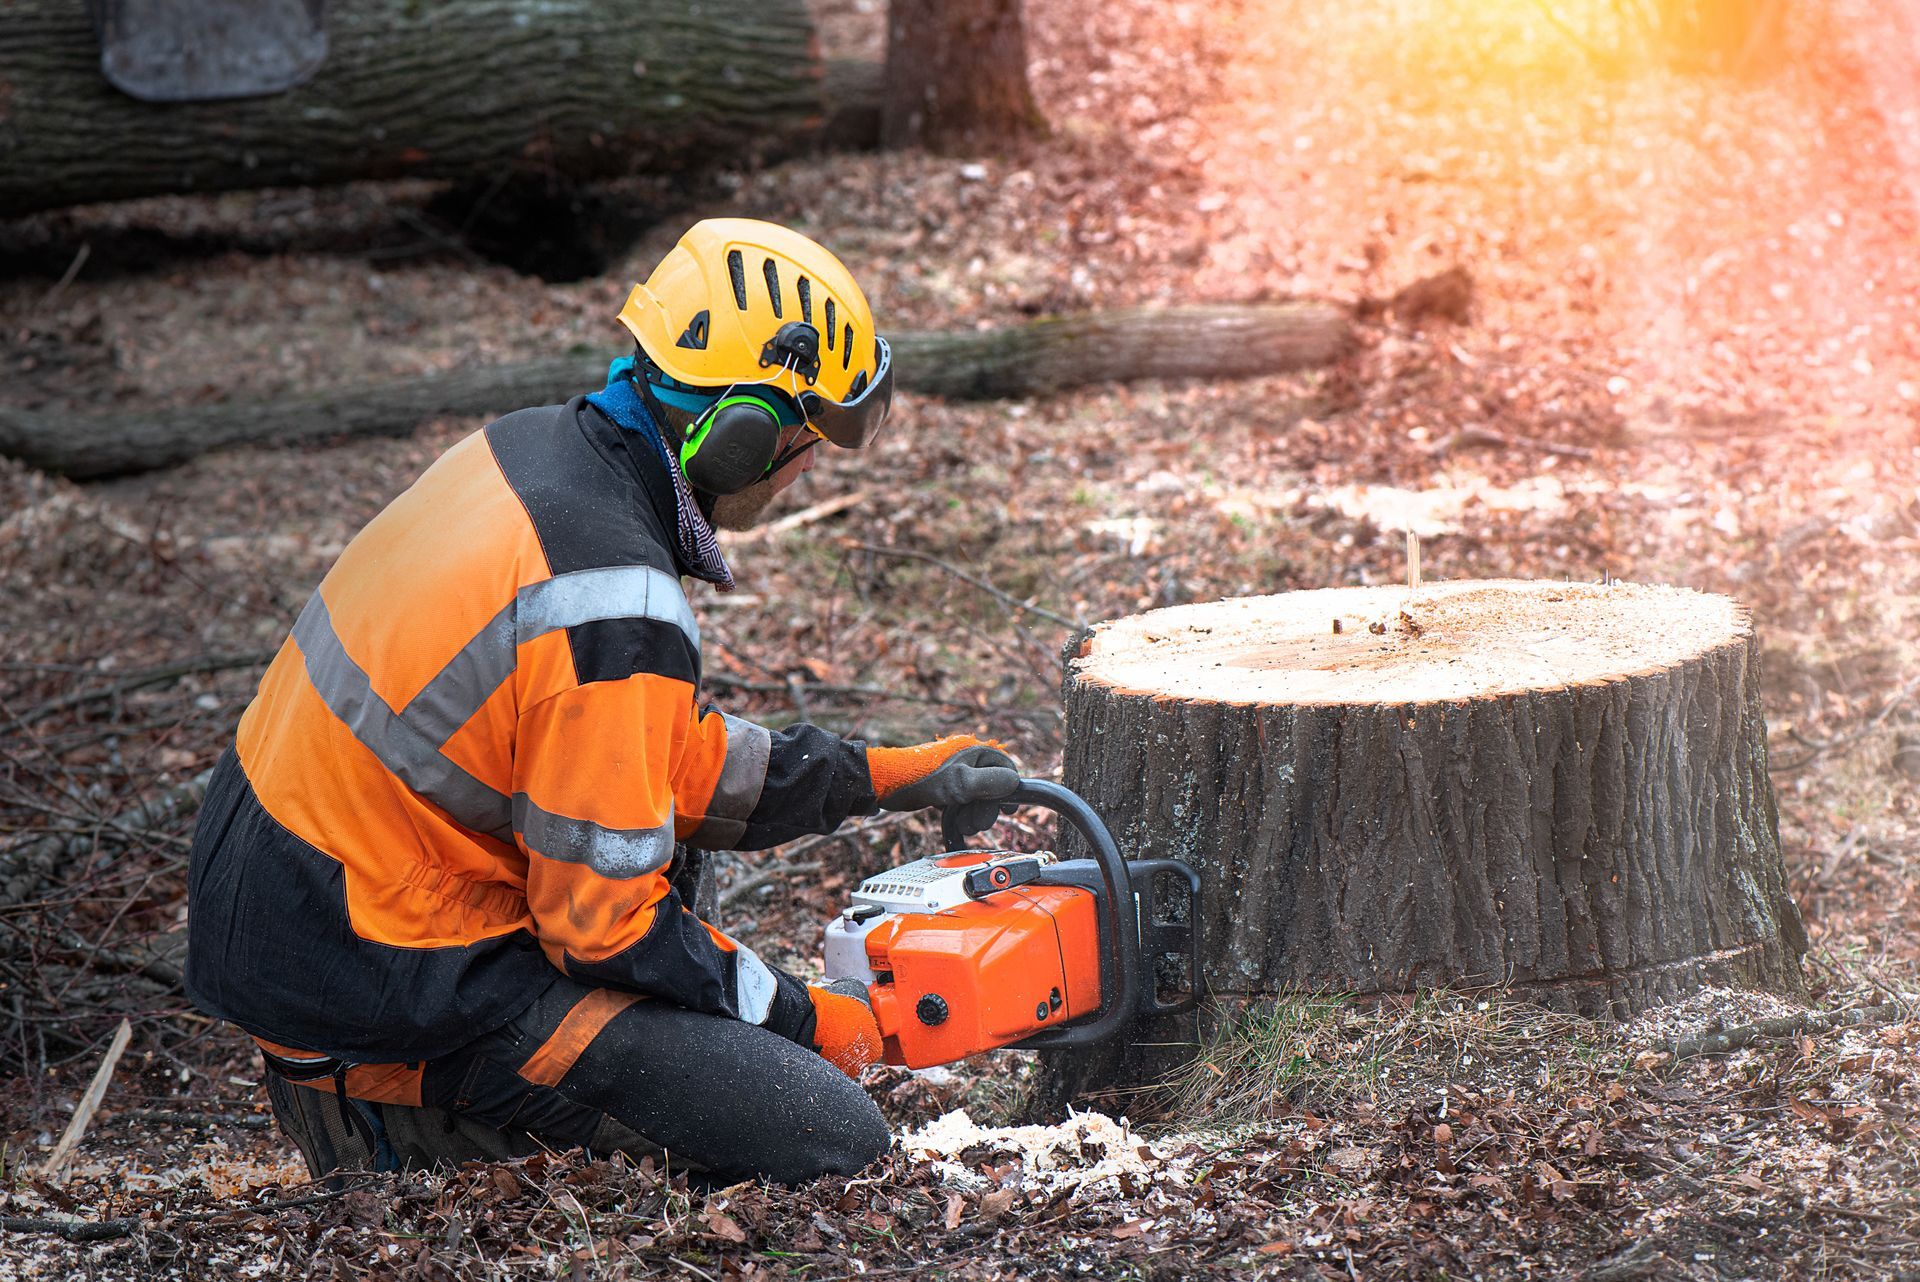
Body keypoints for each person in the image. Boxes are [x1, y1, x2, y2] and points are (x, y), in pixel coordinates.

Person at [184, 219, 1020, 1187]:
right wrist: (803, 1016)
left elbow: (648, 761)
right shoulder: (613, 596)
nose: (807, 465)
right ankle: (410, 1130)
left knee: (684, 899)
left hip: (328, 927)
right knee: (833, 1132)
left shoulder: (532, 454)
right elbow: (605, 927)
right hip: (383, 994)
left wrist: (882, 776)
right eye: (808, 435)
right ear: (741, 429)